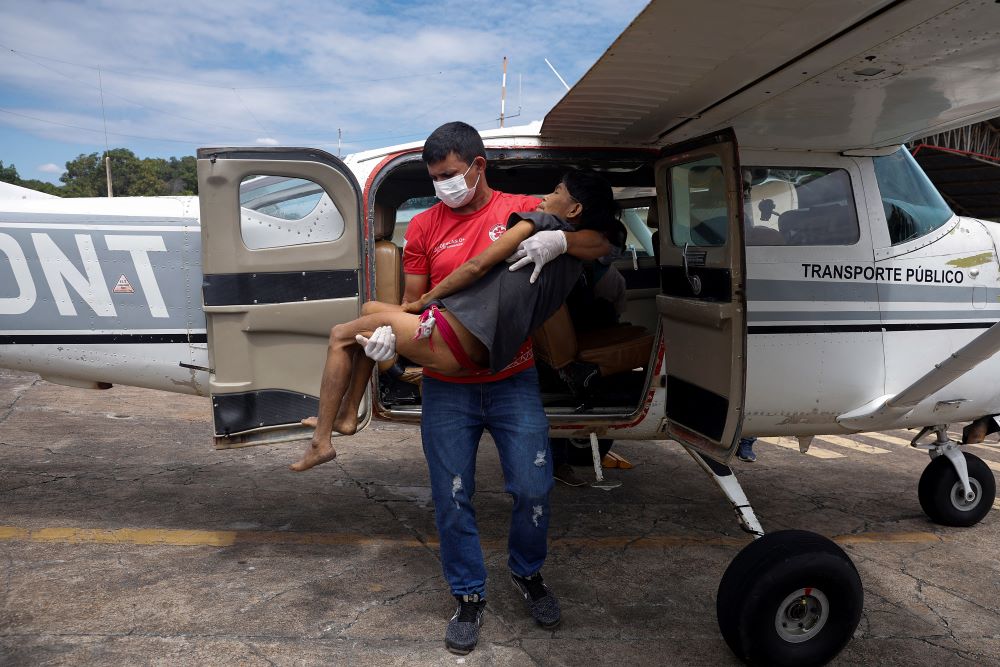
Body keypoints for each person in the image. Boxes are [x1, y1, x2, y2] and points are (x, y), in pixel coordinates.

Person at [294, 120, 617, 655]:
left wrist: (558, 241)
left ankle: (528, 574)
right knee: (452, 496)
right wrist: (393, 348)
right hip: (448, 382)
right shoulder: (422, 227)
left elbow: (600, 239)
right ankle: (468, 596)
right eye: (435, 177)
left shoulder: (520, 206)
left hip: (511, 379)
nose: (444, 184)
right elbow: (417, 299)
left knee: (533, 489)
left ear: (477, 166)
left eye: (449, 174)